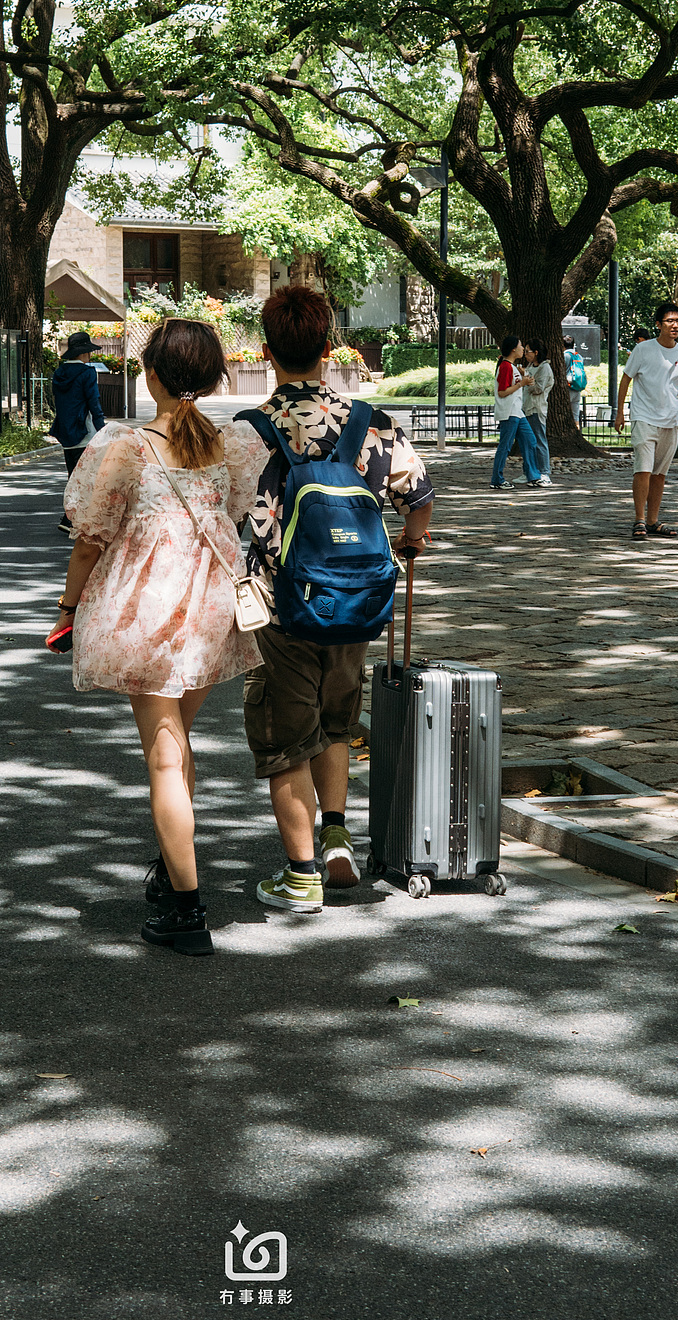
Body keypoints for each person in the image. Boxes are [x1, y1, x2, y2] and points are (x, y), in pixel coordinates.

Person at [51, 318, 269, 956]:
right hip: (209, 612)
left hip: (146, 612)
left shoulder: (124, 447)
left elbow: (89, 540)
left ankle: (187, 908)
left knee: (163, 758)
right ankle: (172, 870)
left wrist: (66, 609)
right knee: (179, 745)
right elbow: (229, 514)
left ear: (152, 375)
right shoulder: (230, 444)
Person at [239, 285, 434, 913]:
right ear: (329, 347)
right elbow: (419, 499)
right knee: (335, 723)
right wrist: (409, 539)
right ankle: (336, 837)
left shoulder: (250, 431)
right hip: (356, 604)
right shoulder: (370, 423)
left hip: (279, 606)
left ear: (267, 352)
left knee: (284, 735)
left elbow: (221, 513)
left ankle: (300, 878)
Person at [614, 302, 678, 541]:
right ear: (658, 325)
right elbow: (626, 379)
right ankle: (639, 519)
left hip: (670, 421)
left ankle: (652, 521)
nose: (675, 325)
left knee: (659, 473)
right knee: (643, 469)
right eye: (669, 321)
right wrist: (620, 412)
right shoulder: (643, 349)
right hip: (643, 417)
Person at [50, 331, 106, 536]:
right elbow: (94, 403)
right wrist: (103, 430)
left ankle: (74, 517)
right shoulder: (88, 373)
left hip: (65, 431)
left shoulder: (59, 373)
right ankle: (70, 518)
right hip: (85, 432)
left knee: (73, 475)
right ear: (85, 353)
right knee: (85, 477)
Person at [491, 335, 548, 489]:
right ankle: (497, 479)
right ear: (513, 349)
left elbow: (512, 385)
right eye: (521, 346)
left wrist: (523, 377)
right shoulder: (505, 366)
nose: (523, 349)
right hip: (509, 412)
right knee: (505, 446)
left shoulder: (512, 367)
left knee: (530, 440)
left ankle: (533, 476)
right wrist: (522, 383)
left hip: (517, 412)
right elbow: (503, 392)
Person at [522, 340, 555, 478]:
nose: (525, 354)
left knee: (539, 440)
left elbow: (538, 389)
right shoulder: (530, 366)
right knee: (527, 442)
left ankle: (544, 471)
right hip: (526, 407)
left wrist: (526, 379)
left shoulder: (544, 368)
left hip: (536, 409)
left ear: (536, 353)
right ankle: (530, 471)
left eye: (527, 351)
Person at [563, 335, 587, 427]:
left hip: (567, 386)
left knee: (564, 412)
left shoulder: (565, 355)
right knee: (575, 415)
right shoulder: (579, 356)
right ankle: (577, 430)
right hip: (577, 386)